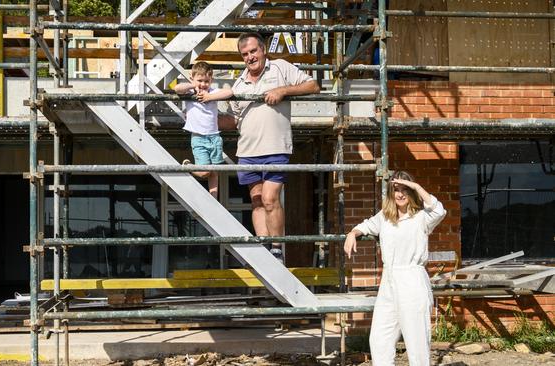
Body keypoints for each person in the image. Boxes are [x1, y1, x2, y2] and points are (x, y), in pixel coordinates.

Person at [221, 32, 320, 263]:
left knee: (269, 199)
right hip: (247, 150)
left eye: (253, 51)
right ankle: (264, 249)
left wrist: (283, 90)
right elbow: (234, 121)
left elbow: (313, 85)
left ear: (263, 49)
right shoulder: (239, 83)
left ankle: (277, 249)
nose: (250, 57)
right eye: (244, 54)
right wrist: (202, 118)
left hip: (275, 147)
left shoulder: (280, 68)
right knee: (256, 200)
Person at [343, 171, 447, 366]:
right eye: (396, 190)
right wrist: (352, 233)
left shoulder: (422, 218)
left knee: (417, 343)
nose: (400, 194)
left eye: (405, 189)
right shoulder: (385, 217)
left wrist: (416, 186)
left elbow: (439, 210)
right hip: (388, 281)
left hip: (412, 280)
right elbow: (366, 225)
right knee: (379, 340)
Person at [174, 61, 233, 199]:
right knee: (204, 172)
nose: (203, 84)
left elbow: (229, 92)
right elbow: (177, 88)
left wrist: (210, 97)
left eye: (206, 81)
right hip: (199, 138)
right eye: (199, 80)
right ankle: (188, 166)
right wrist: (192, 85)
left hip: (214, 137)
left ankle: (213, 197)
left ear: (211, 80)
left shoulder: (212, 92)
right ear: (192, 79)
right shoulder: (189, 92)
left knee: (214, 170)